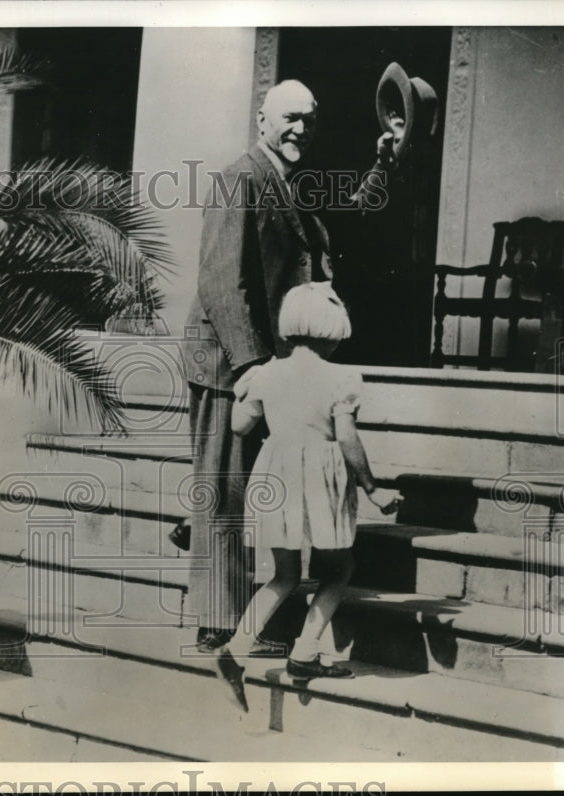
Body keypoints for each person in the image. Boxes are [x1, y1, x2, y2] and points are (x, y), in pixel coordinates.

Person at [181, 80, 396, 653]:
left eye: (311, 119)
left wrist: (383, 163)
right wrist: (251, 363)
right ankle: (217, 622)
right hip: (229, 362)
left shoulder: (289, 183)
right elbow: (222, 280)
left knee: (254, 489)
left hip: (267, 366)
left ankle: (247, 608)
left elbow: (349, 220)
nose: (302, 128)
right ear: (262, 120)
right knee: (224, 492)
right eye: (291, 118)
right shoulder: (240, 178)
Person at [214, 282, 401, 711]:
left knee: (284, 574)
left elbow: (240, 427)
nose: (338, 344)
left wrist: (242, 393)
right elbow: (347, 438)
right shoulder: (341, 377)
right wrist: (372, 488)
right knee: (339, 567)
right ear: (328, 331)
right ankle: (304, 651)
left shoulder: (265, 372)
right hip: (318, 476)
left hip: (276, 474)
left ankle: (234, 653)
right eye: (337, 336)